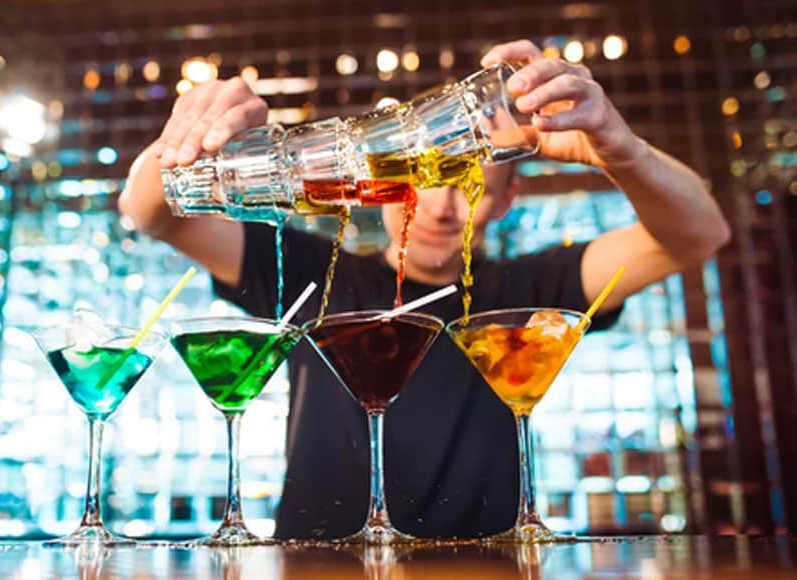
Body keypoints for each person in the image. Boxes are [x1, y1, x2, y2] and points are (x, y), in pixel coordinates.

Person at [119, 40, 730, 539]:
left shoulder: (534, 287)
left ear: (506, 199)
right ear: (379, 182)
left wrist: (617, 149)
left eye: (467, 185)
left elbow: (698, 236)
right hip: (313, 559)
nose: (439, 208)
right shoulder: (314, 272)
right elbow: (150, 212)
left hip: (487, 561)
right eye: (415, 179)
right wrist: (187, 135)